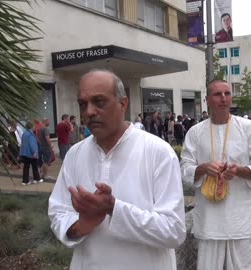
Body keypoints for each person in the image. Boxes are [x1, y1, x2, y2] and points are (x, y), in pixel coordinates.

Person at [48, 70, 186, 270]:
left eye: (99, 101)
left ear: (123, 104)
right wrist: (80, 226)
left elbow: (173, 231)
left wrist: (113, 208)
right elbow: (58, 212)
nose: (89, 112)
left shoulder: (158, 152)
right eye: (83, 104)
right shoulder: (74, 155)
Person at [181, 80, 251, 270]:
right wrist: (204, 168)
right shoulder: (195, 132)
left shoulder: (248, 128)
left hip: (241, 215)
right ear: (207, 100)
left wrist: (239, 171)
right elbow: (184, 169)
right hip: (209, 218)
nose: (223, 98)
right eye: (217, 94)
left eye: (227, 93)